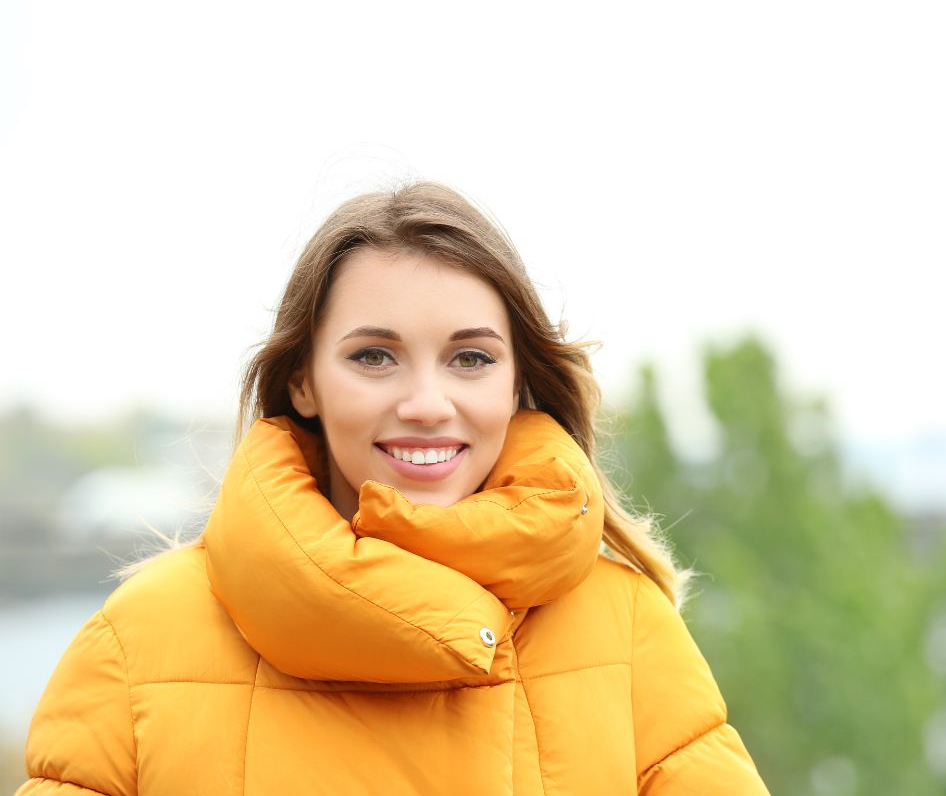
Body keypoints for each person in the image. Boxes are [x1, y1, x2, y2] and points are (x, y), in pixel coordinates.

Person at [17, 182, 770, 795]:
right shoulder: (142, 639)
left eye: (470, 359)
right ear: (304, 381)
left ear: (517, 384)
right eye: (375, 357)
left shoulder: (626, 628)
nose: (427, 402)